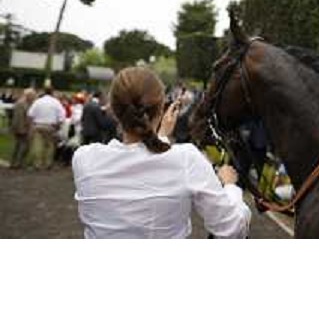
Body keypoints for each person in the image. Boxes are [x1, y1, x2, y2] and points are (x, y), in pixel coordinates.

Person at [72, 66, 251, 239]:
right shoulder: (187, 159)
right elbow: (232, 230)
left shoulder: (84, 158)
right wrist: (230, 186)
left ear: (112, 108)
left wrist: (161, 136)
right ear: (160, 108)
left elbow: (140, 161)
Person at [27, 86, 66, 170]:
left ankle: (38, 164)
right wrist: (58, 125)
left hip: (38, 125)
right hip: (50, 126)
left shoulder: (38, 101)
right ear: (52, 92)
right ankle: (48, 164)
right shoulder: (56, 102)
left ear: (44, 92)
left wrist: (32, 125)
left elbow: (30, 114)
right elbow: (62, 116)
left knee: (38, 145)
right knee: (50, 146)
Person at [9, 88, 36, 169]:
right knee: (21, 146)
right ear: (28, 95)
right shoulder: (21, 104)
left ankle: (17, 162)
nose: (34, 97)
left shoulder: (28, 103)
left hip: (24, 128)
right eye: (33, 96)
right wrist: (22, 129)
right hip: (21, 129)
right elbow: (19, 118)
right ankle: (17, 163)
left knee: (21, 146)